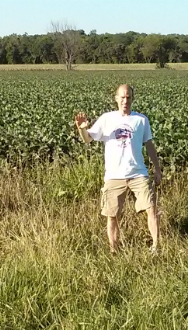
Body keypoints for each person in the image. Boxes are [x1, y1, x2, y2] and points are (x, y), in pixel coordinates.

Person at [74, 84, 162, 254]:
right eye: (122, 97)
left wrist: (157, 169)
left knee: (151, 207)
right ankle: (114, 250)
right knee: (112, 214)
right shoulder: (107, 119)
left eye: (128, 97)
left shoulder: (141, 120)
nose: (125, 101)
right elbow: (87, 139)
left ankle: (156, 247)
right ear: (116, 99)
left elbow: (149, 145)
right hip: (114, 175)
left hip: (139, 173)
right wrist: (82, 129)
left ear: (132, 99)